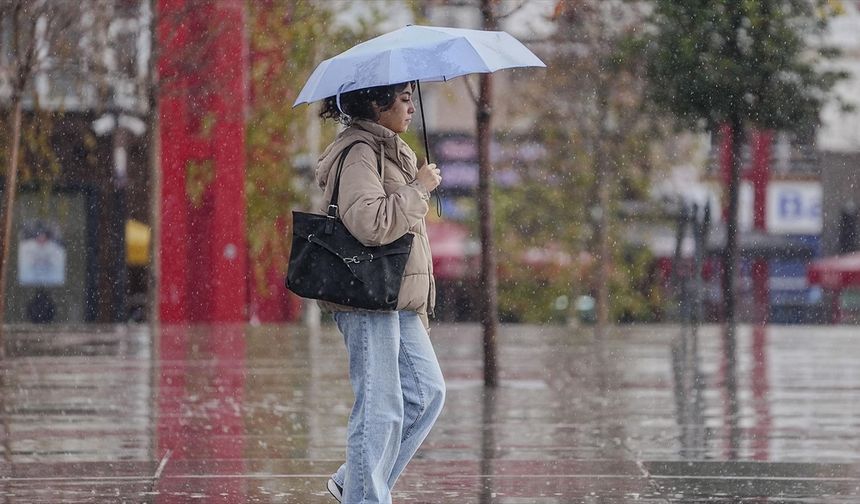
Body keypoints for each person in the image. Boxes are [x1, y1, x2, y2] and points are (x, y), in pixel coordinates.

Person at [314, 81, 446, 504]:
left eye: (411, 99)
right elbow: (370, 223)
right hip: (368, 294)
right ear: (377, 103)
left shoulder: (390, 150)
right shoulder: (359, 153)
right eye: (403, 100)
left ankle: (353, 480)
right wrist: (419, 190)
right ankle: (364, 496)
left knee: (426, 394)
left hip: (395, 297)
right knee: (379, 406)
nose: (410, 109)